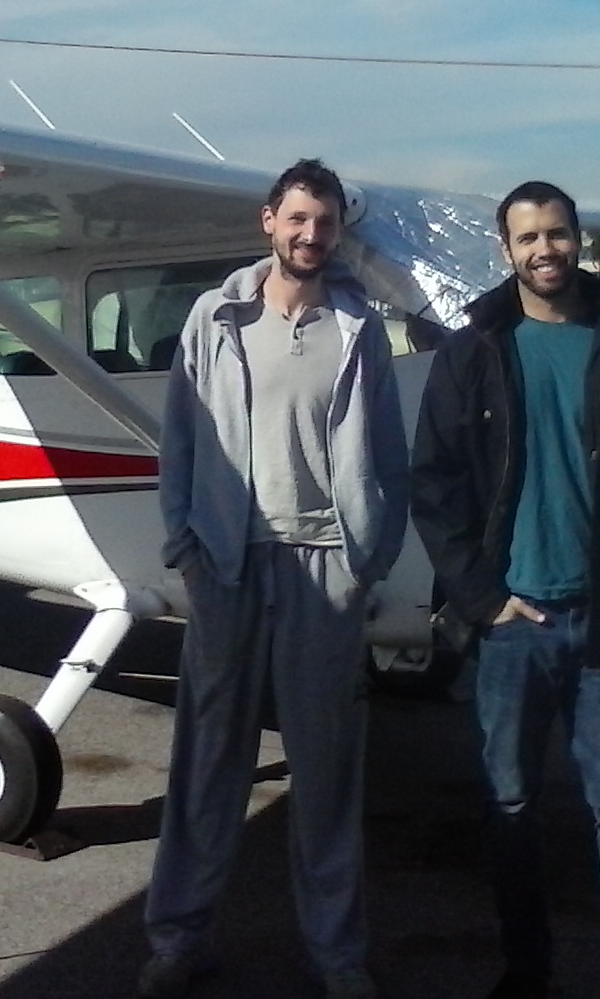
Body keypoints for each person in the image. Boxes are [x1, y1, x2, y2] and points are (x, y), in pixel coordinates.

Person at [410, 181, 600, 999]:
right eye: (528, 238)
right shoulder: (476, 351)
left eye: (558, 235)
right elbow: (435, 484)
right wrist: (481, 597)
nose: (545, 251)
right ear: (507, 250)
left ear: (579, 238)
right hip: (513, 626)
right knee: (510, 808)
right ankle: (526, 972)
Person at [140, 158, 409, 999]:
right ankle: (178, 938)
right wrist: (184, 541)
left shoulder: (359, 329)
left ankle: (337, 956)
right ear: (269, 222)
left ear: (337, 232)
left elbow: (388, 458)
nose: (310, 235)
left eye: (324, 223)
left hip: (326, 566)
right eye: (297, 219)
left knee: (325, 773)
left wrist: (371, 558)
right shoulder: (214, 317)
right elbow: (181, 435)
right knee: (207, 760)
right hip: (228, 561)